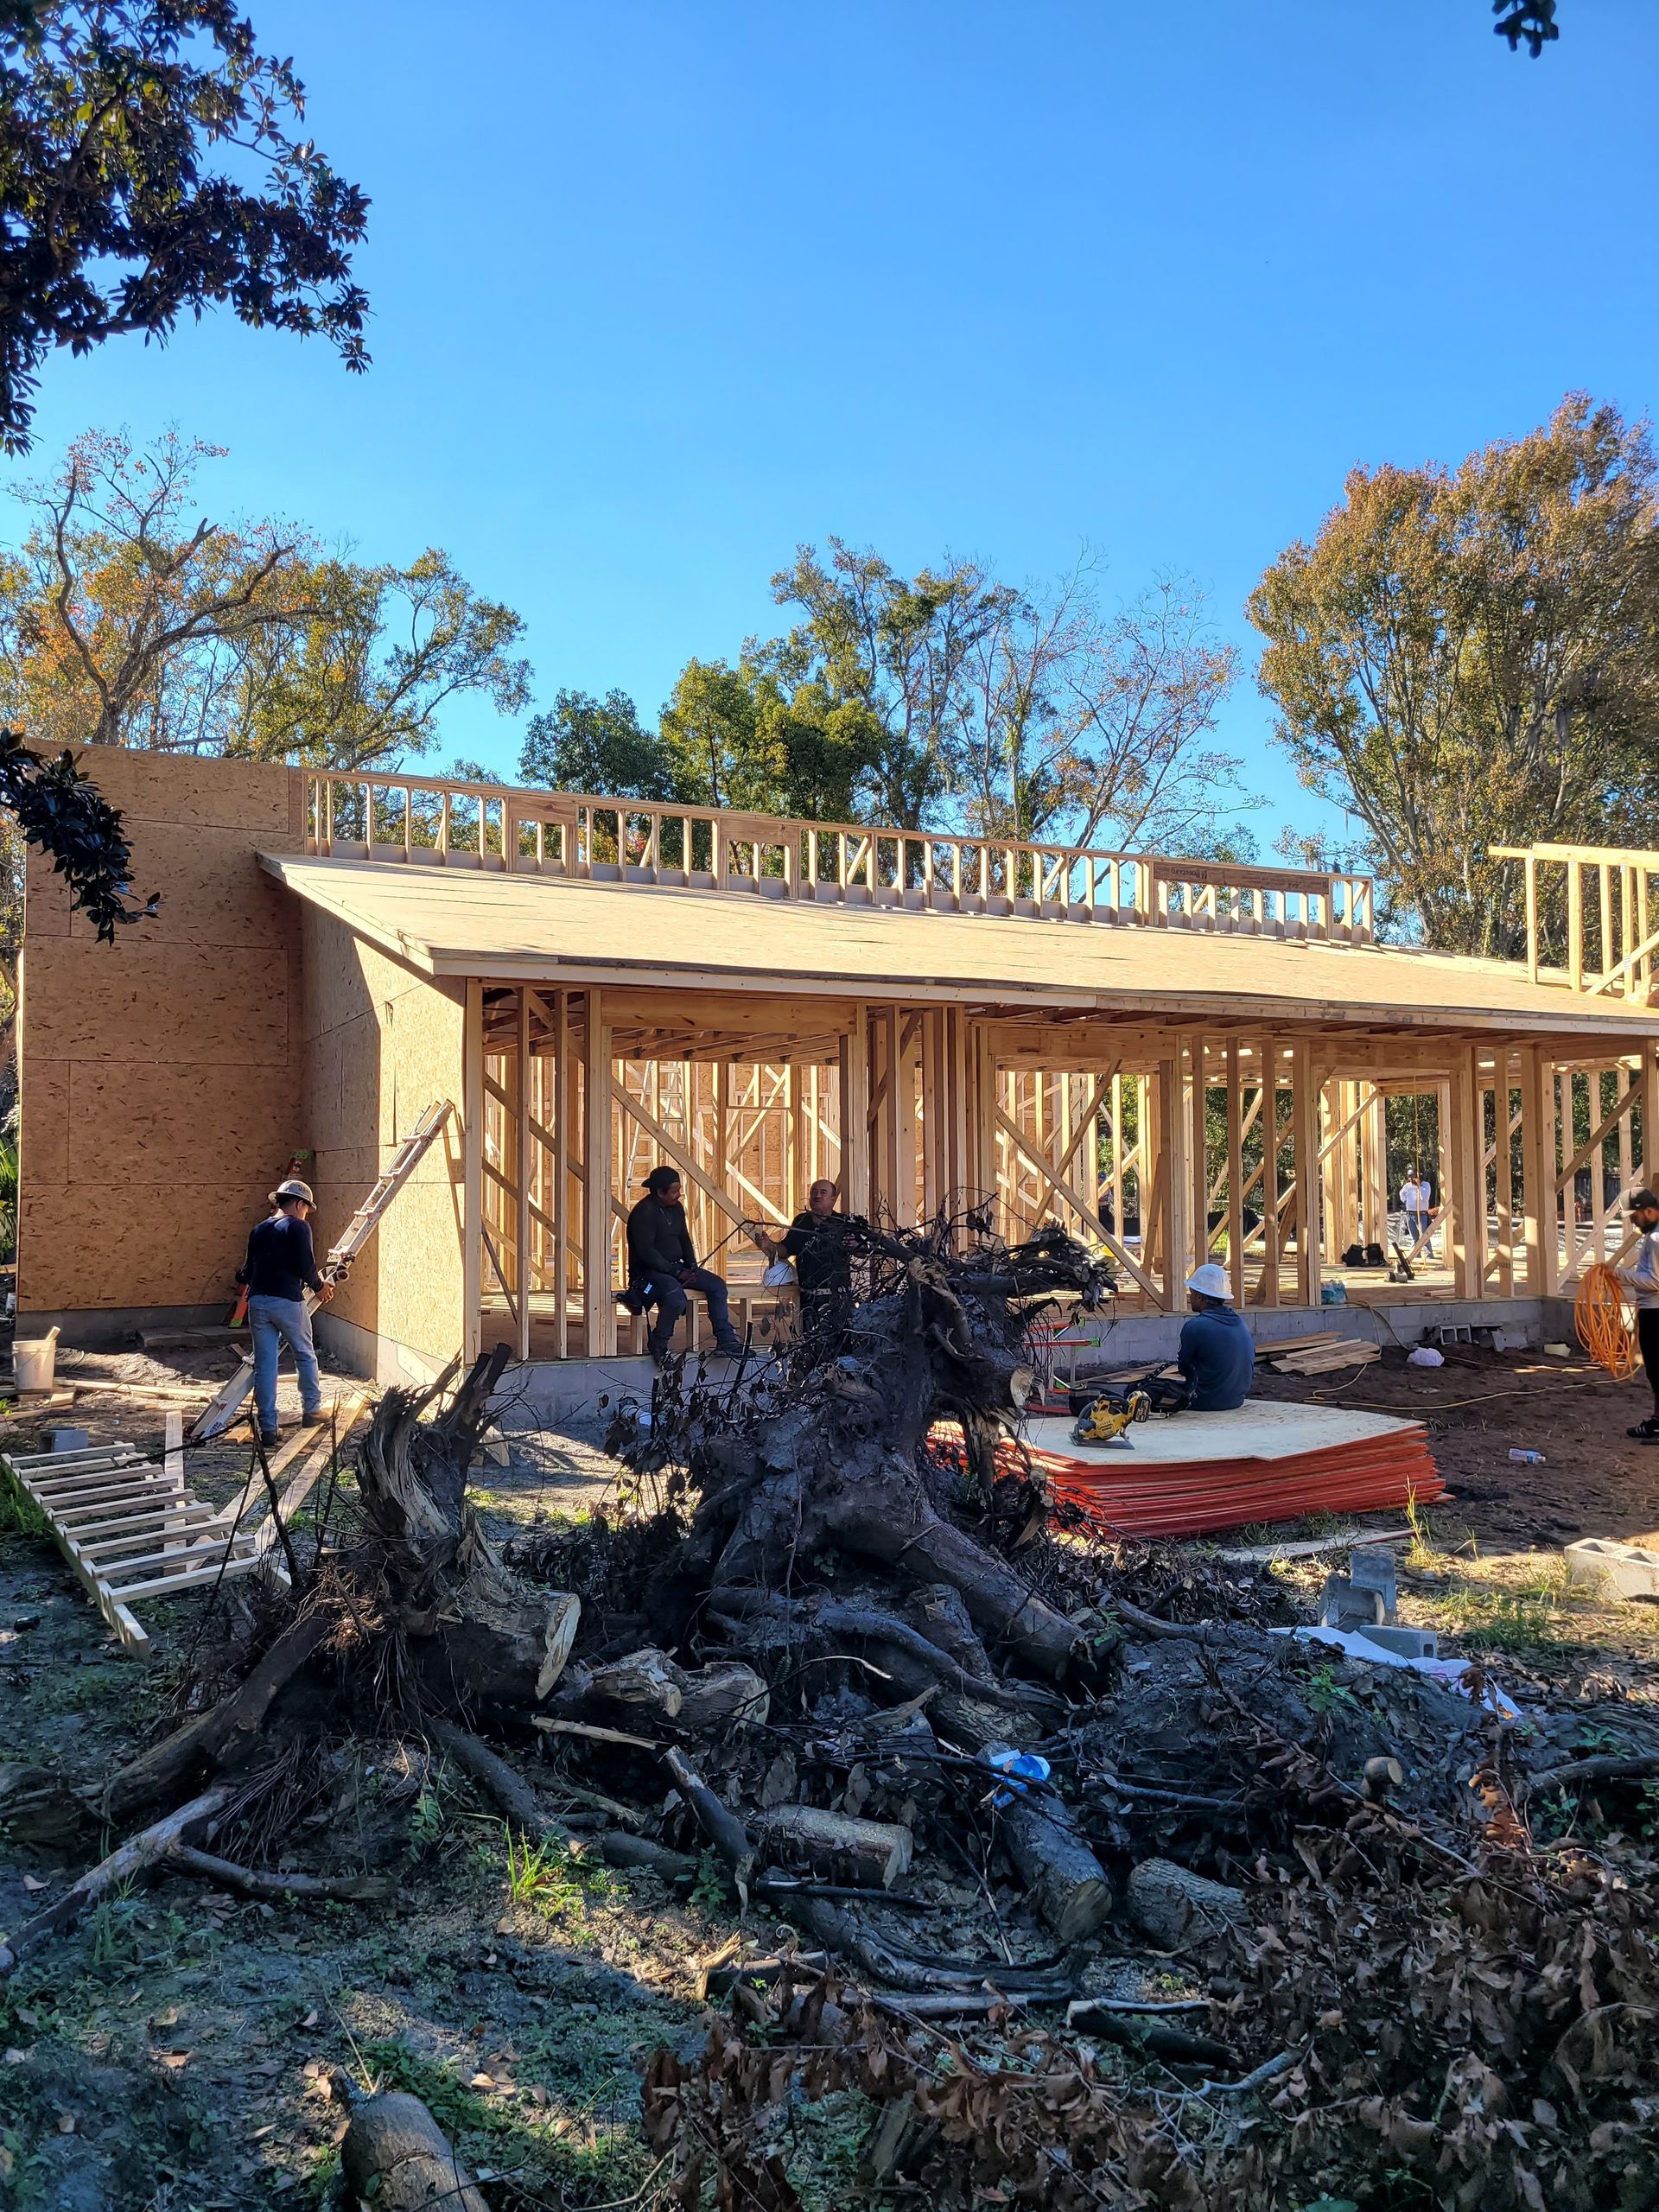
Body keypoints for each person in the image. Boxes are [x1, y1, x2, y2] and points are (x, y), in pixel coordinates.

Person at [236, 1177, 334, 1449]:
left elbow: (246, 1270)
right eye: (306, 1208)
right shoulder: (298, 1227)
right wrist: (320, 1287)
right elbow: (306, 1265)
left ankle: (268, 1428)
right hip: (287, 1301)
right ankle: (312, 1410)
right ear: (299, 1204)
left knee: (265, 1366)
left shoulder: (258, 1230)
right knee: (304, 1354)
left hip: (258, 1302)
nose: (306, 1214)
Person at [626, 1166, 744, 1363]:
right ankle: (659, 1342)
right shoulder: (644, 1212)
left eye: (679, 1190)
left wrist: (691, 1265)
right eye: (674, 1192)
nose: (678, 1195)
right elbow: (647, 1252)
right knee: (675, 1297)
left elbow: (684, 1239)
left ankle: (725, 1339)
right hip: (650, 1271)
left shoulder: (676, 1209)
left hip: (677, 1267)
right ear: (660, 1192)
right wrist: (674, 1271)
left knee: (716, 1286)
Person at [761, 1179, 852, 1315]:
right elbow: (786, 1250)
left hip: (836, 1297)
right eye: (814, 1192)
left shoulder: (843, 1223)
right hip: (808, 1297)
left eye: (823, 1192)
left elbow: (862, 1252)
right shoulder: (801, 1221)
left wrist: (856, 1246)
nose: (817, 1196)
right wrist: (768, 1246)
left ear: (833, 1200)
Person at [1177, 1262, 1254, 1412]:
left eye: (1191, 1294)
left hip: (1206, 1401)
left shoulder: (1195, 1327)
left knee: (1146, 1391)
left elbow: (1183, 1368)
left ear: (1199, 1297)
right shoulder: (1240, 1322)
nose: (1190, 1298)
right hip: (1236, 1400)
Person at [1616, 1187, 1659, 1441]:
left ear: (1649, 1210)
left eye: (1635, 1216)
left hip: (1656, 1312)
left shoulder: (1655, 1240)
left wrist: (1619, 1274)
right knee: (1655, 1371)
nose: (1633, 1221)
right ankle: (1656, 1422)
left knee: (1657, 1370)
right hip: (1652, 1310)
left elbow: (1655, 1281)